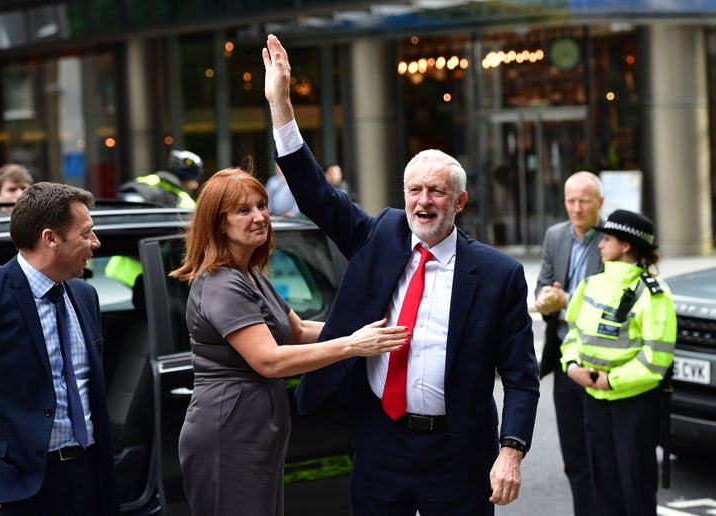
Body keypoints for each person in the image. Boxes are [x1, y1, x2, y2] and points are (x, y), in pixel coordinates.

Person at [263, 34, 540, 515]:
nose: (423, 201)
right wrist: (281, 104)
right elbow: (316, 197)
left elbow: (521, 378)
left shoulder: (499, 275)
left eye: (436, 191)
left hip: (458, 454)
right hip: (380, 441)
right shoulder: (381, 235)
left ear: (459, 202)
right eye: (415, 189)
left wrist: (510, 452)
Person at [169, 164, 408, 516]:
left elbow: (297, 331)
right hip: (228, 434)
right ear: (219, 223)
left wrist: (379, 330)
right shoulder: (223, 283)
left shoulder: (248, 273)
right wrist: (354, 345)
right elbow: (269, 360)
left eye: (262, 206)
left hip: (255, 429)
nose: (259, 217)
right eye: (243, 210)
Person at [0, 182, 119, 514]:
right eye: (86, 233)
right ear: (50, 238)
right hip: (20, 488)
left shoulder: (84, 295)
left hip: (87, 475)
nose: (96, 243)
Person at [560, 209, 676, 515]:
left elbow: (656, 358)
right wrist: (572, 367)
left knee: (636, 490)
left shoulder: (653, 294)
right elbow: (573, 334)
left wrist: (611, 380)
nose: (599, 244)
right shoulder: (590, 285)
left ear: (626, 246)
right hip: (594, 400)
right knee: (603, 488)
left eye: (607, 239)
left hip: (633, 404)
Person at [533, 170, 604, 516]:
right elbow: (543, 285)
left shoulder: (611, 240)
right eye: (570, 201)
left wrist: (566, 302)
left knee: (601, 458)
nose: (575, 209)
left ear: (599, 203)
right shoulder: (555, 236)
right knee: (575, 459)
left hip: (599, 362)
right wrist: (546, 297)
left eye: (583, 201)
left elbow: (611, 303)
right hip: (563, 358)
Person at [118, 149, 203, 208]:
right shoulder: (185, 202)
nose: (195, 185)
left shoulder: (149, 180)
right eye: (194, 179)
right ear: (186, 177)